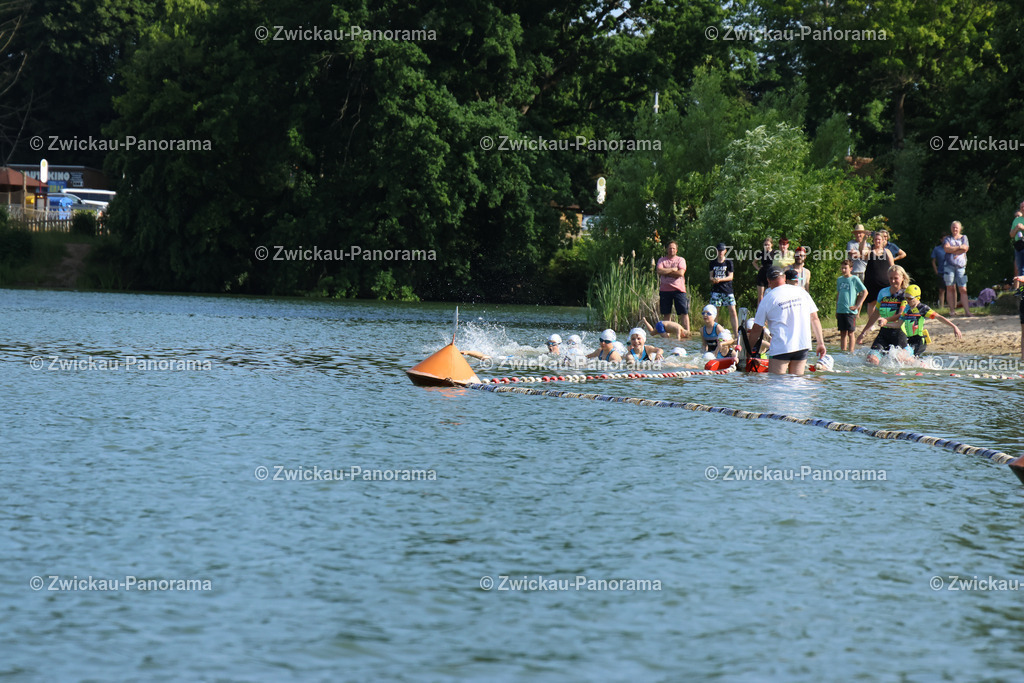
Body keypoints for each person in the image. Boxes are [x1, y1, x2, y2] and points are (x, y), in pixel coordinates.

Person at [747, 267, 827, 376]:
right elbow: (814, 318)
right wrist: (820, 343)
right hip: (802, 345)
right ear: (784, 278)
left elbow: (757, 328)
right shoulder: (801, 291)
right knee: (797, 383)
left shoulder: (767, 298)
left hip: (781, 347)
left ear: (768, 281)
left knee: (776, 385)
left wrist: (748, 351)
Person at [856, 265, 911, 362]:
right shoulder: (883, 292)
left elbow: (901, 314)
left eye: (896, 278)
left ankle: (917, 363)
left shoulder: (905, 294)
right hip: (884, 333)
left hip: (899, 333)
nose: (893, 281)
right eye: (891, 278)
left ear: (903, 278)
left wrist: (886, 320)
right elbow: (875, 314)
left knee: (899, 359)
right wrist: (863, 333)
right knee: (871, 359)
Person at [896, 284, 962, 356]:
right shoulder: (906, 308)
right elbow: (898, 324)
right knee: (905, 359)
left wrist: (954, 326)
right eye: (906, 298)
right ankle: (924, 365)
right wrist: (885, 322)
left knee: (902, 356)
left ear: (917, 298)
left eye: (910, 298)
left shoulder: (923, 308)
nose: (907, 300)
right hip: (909, 340)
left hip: (919, 341)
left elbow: (939, 317)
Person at [655, 241, 689, 335]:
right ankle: (667, 335)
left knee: (683, 312)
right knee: (666, 313)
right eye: (670, 248)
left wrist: (666, 272)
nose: (671, 250)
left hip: (679, 290)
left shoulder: (680, 260)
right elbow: (659, 270)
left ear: (676, 250)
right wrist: (673, 269)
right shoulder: (662, 260)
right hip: (665, 290)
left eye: (673, 248)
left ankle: (686, 333)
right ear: (667, 249)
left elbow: (680, 273)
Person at [836, 259, 868, 352]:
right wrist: (836, 309)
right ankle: (843, 351)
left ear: (850, 268)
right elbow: (838, 294)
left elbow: (865, 292)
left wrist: (857, 306)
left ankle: (851, 352)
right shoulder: (839, 279)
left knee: (850, 333)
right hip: (841, 310)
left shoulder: (854, 279)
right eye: (842, 268)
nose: (843, 270)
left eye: (845, 268)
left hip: (850, 311)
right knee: (842, 333)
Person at [862, 231, 895, 319]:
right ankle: (871, 323)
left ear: (883, 240)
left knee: (887, 302)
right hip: (871, 282)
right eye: (876, 239)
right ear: (873, 240)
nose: (878, 241)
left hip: (885, 282)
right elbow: (861, 250)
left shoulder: (887, 251)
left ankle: (886, 320)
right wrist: (864, 239)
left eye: (879, 239)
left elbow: (893, 266)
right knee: (871, 303)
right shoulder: (869, 251)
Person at [709, 242, 739, 339]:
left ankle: (736, 334)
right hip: (716, 290)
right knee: (715, 312)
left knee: (732, 311)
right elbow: (710, 276)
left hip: (727, 290)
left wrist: (720, 279)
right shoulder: (712, 262)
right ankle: (716, 333)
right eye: (719, 250)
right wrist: (713, 280)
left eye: (722, 250)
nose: (720, 252)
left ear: (725, 251)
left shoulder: (729, 262)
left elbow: (731, 277)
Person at [944, 220, 971, 317]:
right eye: (953, 227)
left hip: (961, 267)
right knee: (950, 287)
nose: (955, 229)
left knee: (963, 288)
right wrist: (959, 248)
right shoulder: (947, 239)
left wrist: (953, 249)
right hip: (949, 266)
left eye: (956, 227)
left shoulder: (964, 238)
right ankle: (952, 310)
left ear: (960, 228)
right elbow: (946, 249)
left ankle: (967, 311)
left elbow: (965, 248)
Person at [755, 236, 778, 304]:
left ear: (771, 245)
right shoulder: (761, 253)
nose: (766, 246)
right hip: (762, 274)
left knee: (770, 294)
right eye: (765, 245)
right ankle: (759, 312)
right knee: (760, 296)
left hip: (771, 275)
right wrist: (759, 268)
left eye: (768, 244)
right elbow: (754, 262)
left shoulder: (775, 253)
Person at [930, 236, 948, 308]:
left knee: (951, 289)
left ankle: (952, 306)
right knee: (941, 290)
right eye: (944, 239)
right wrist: (936, 271)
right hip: (941, 271)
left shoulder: (951, 248)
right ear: (941, 240)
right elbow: (933, 261)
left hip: (950, 271)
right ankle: (942, 306)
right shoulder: (937, 249)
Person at [1010, 202, 1024, 276]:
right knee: (1020, 269)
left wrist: (1023, 228)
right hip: (1019, 246)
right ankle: (1022, 288)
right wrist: (1016, 229)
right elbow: (1011, 235)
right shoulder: (1016, 220)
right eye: (1021, 207)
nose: (1023, 208)